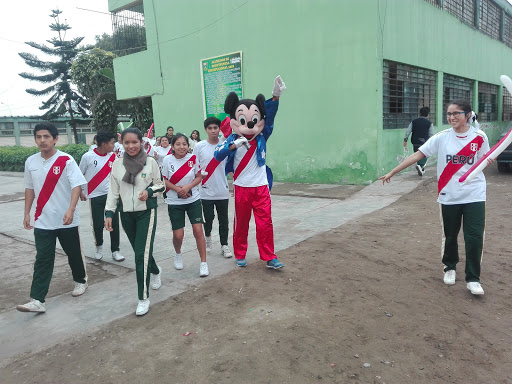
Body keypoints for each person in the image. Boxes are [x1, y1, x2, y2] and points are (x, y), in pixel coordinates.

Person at [379, 100, 493, 296]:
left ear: (467, 115)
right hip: (449, 194)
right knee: (450, 235)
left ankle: (473, 279)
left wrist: (490, 160)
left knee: (474, 237)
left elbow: (485, 160)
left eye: (456, 113)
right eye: (449, 113)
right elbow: (417, 156)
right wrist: (392, 172)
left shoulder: (479, 137)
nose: (451, 117)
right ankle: (449, 267)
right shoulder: (442, 138)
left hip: (474, 193)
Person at [214, 75, 286, 269]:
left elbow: (269, 118)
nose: (250, 125)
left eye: (254, 120)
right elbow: (217, 156)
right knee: (242, 224)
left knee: (265, 224)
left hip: (261, 187)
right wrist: (231, 146)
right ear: (234, 120)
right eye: (244, 121)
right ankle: (240, 252)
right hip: (242, 188)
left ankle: (269, 256)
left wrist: (275, 96)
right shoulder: (231, 140)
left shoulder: (262, 137)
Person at [17, 123, 88, 313]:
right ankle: (38, 299)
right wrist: (27, 213)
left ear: (55, 139)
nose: (42, 140)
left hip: (66, 219)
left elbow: (77, 186)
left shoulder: (66, 160)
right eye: (38, 137)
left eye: (46, 136)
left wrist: (71, 209)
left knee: (73, 254)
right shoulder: (31, 162)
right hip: (43, 220)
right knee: (42, 258)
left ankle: (80, 280)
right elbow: (29, 188)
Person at [104, 127, 165, 316]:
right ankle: (155, 270)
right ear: (122, 144)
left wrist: (150, 191)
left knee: (140, 256)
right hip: (126, 214)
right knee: (141, 252)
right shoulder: (117, 164)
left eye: (135, 142)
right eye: (127, 143)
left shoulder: (150, 162)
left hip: (146, 212)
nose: (131, 146)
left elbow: (161, 184)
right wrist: (109, 213)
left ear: (142, 142)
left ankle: (143, 298)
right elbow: (113, 191)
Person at [162, 134, 209, 277]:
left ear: (188, 146)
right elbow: (164, 180)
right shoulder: (167, 160)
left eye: (184, 144)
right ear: (172, 147)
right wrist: (178, 190)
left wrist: (187, 187)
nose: (181, 147)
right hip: (174, 202)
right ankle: (178, 254)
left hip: (193, 200)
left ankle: (203, 263)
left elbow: (199, 177)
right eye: (178, 144)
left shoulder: (193, 159)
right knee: (178, 235)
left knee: (198, 231)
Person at [79, 130, 124, 262]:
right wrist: (81, 191)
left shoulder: (114, 157)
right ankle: (99, 246)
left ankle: (115, 250)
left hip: (112, 196)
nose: (113, 145)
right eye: (111, 143)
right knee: (98, 224)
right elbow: (79, 175)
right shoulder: (87, 157)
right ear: (103, 144)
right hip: (95, 196)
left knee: (114, 223)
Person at [193, 117, 232, 258]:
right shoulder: (200, 146)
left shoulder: (225, 144)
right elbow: (194, 166)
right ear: (205, 130)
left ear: (219, 129)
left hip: (222, 189)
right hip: (205, 190)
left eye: (215, 128)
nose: (213, 131)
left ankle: (224, 245)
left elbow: (231, 163)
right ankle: (208, 238)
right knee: (208, 218)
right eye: (210, 128)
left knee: (224, 220)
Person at [403, 106, 434, 176]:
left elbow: (408, 131)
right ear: (427, 114)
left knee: (417, 154)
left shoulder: (414, 122)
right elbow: (431, 134)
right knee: (425, 155)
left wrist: (405, 139)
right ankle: (420, 166)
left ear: (419, 113)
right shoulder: (429, 123)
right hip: (425, 142)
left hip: (415, 141)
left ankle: (421, 169)